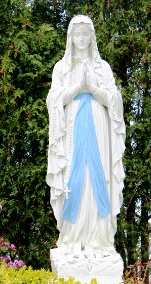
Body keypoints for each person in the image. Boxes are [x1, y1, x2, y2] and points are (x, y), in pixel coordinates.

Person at [46, 15, 125, 256]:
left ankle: (99, 240)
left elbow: (115, 100)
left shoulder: (103, 68)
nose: (81, 38)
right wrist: (77, 89)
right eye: (77, 34)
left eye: (85, 34)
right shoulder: (62, 68)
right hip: (72, 128)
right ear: (71, 37)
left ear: (92, 36)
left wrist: (93, 89)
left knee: (97, 176)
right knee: (74, 178)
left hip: (99, 130)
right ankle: (72, 238)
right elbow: (53, 99)